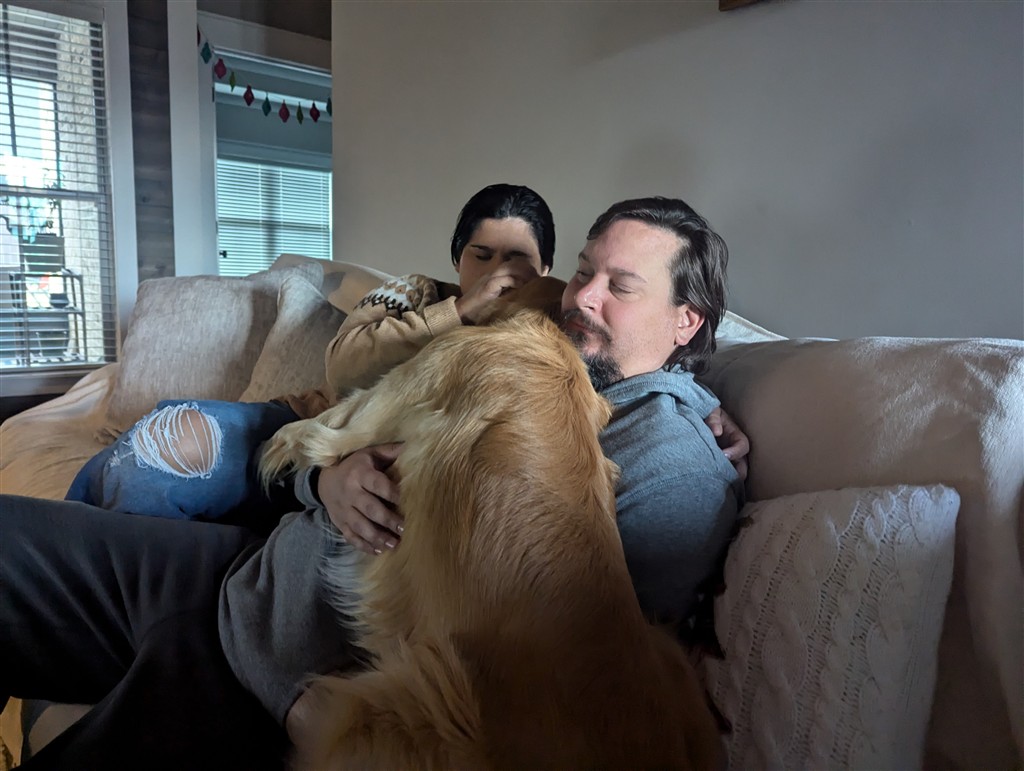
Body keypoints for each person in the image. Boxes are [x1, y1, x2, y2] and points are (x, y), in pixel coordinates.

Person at [1, 194, 741, 769]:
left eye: (621, 286)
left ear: (686, 321)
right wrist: (326, 482)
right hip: (238, 577)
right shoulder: (531, 337)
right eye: (583, 271)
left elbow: (567, 695)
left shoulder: (672, 465)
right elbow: (340, 415)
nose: (582, 297)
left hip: (282, 677)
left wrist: (299, 703)